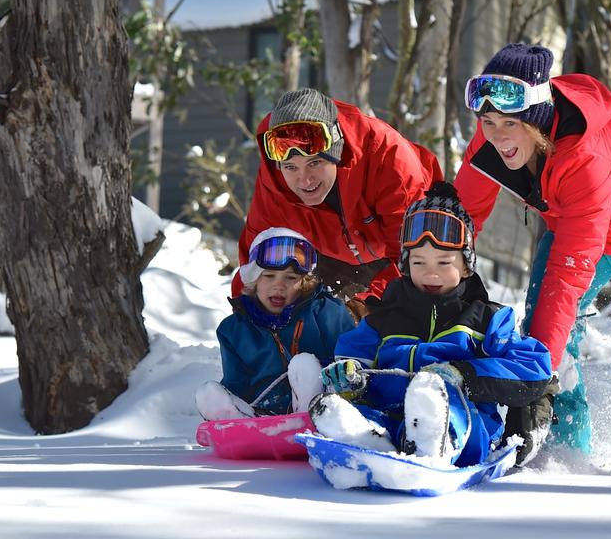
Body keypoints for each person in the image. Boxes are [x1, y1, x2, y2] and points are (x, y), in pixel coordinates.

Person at [453, 42, 611, 455]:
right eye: (487, 121)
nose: (497, 136)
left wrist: (534, 378)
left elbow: (567, 276)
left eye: (509, 124)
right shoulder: (496, 144)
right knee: (543, 330)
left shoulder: (587, 158)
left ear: (536, 119)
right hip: (579, 225)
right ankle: (565, 446)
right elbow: (459, 220)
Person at [309, 182, 554, 466]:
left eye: (443, 262)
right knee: (353, 410)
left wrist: (464, 373)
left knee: (439, 400)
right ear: (405, 264)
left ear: (465, 265)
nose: (431, 273)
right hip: (390, 416)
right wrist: (349, 379)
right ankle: (363, 439)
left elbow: (535, 367)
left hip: (463, 423)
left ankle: (433, 442)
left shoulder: (486, 320)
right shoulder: (382, 320)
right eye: (420, 263)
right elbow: (352, 359)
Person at [234, 88, 443, 318]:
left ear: (336, 151)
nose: (305, 180)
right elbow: (254, 265)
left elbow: (416, 257)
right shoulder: (274, 183)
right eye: (292, 167)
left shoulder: (388, 157)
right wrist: (249, 320)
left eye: (314, 163)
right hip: (329, 253)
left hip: (410, 247)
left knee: (403, 319)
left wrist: (365, 307)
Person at [196, 229, 355, 420]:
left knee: (303, 364)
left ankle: (306, 418)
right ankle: (240, 426)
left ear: (304, 283)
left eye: (291, 278)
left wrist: (345, 376)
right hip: (262, 413)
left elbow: (349, 360)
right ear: (253, 280)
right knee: (207, 394)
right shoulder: (233, 330)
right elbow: (236, 382)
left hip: (321, 406)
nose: (279, 286)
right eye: (269, 276)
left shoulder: (326, 312)